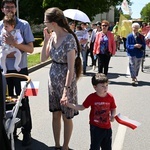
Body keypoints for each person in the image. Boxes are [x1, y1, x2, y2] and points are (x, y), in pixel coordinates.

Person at [41, 7, 82, 150]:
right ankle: (57, 145)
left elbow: (71, 68)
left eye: (46, 21)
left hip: (66, 83)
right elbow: (42, 59)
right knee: (55, 115)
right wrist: (46, 41)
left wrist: (66, 91)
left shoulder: (69, 39)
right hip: (53, 82)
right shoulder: (52, 36)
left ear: (54, 22)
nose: (44, 23)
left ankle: (65, 146)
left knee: (66, 117)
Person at [0, 0, 34, 146]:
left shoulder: (24, 25)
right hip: (4, 71)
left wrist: (14, 45)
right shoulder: (0, 26)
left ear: (15, 8)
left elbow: (31, 49)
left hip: (21, 70)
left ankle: (27, 131)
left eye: (12, 6)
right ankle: (10, 130)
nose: (10, 9)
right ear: (2, 9)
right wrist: (7, 54)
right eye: (7, 7)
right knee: (6, 101)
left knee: (24, 101)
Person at [61, 73, 117, 150]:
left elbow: (113, 108)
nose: (105, 88)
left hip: (107, 128)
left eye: (107, 85)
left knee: (107, 148)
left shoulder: (110, 97)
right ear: (95, 87)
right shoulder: (92, 97)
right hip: (95, 128)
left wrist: (113, 115)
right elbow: (81, 107)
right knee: (94, 147)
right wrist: (69, 105)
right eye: (103, 86)